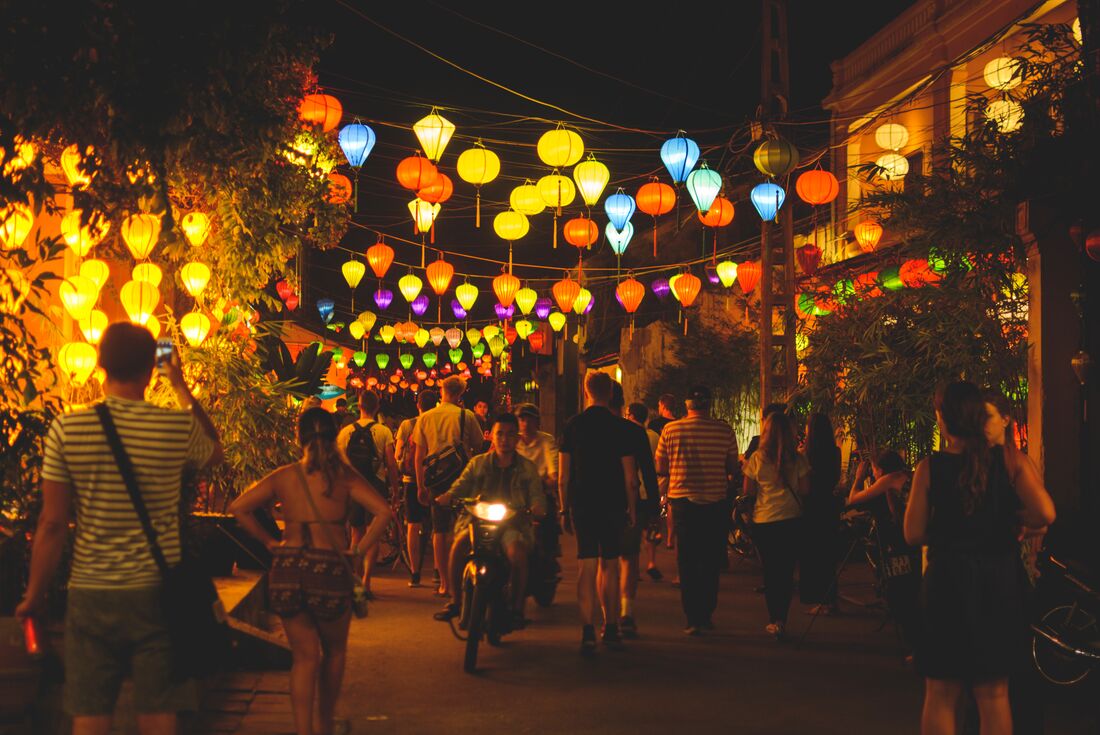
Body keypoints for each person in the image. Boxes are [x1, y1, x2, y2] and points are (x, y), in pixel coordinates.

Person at [15, 322, 223, 735]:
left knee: (90, 711)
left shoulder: (67, 429)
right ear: (152, 367)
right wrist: (180, 385)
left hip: (91, 592)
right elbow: (214, 451)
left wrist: (34, 595)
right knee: (159, 710)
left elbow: (53, 523)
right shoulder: (174, 428)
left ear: (100, 365)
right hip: (156, 593)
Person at [904, 381, 1055, 735]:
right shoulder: (1009, 462)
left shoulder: (931, 467)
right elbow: (1045, 513)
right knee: (994, 694)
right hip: (998, 581)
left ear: (944, 419)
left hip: (946, 582)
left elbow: (912, 533)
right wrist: (1015, 526)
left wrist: (948, 533)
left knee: (940, 692)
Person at [230, 408, 390, 735]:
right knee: (334, 652)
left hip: (288, 570)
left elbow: (238, 507)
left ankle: (304, 731)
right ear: (335, 435)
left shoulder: (285, 476)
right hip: (329, 569)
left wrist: (269, 542)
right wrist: (357, 551)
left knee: (304, 658)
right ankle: (324, 725)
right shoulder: (344, 477)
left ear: (298, 437)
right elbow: (384, 512)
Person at [431, 414, 546, 628]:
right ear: (492, 437)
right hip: (476, 523)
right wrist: (446, 497)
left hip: (512, 525)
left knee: (518, 554)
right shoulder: (478, 463)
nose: (504, 439)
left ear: (517, 438)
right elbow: (460, 485)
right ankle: (455, 600)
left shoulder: (527, 468)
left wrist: (537, 508)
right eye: (499, 434)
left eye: (510, 434)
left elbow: (536, 495)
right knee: (457, 546)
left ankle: (516, 607)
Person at [559, 371, 638, 654]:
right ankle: (612, 626)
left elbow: (563, 475)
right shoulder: (621, 428)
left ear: (586, 391)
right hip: (613, 503)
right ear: (611, 394)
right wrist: (632, 507)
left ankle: (587, 631)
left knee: (587, 565)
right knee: (611, 564)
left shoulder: (573, 426)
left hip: (583, 503)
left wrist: (563, 507)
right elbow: (631, 476)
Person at [655, 385, 739, 636]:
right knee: (711, 559)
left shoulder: (670, 429)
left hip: (682, 501)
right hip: (715, 501)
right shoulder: (724, 430)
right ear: (709, 405)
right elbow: (732, 466)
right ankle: (707, 613)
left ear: (687, 405)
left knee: (688, 559)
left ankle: (692, 617)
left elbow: (660, 464)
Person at [413, 376, 484, 598]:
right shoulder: (467, 416)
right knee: (463, 529)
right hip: (462, 479)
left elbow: (419, 455)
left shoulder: (426, 417)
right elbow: (479, 445)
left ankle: (444, 582)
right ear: (460, 393)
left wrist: (420, 485)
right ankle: (461, 577)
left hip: (436, 481)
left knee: (439, 530)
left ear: (442, 390)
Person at [743, 411, 809, 640]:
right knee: (786, 571)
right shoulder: (799, 458)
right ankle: (782, 618)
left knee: (771, 572)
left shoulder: (757, 459)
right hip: (792, 519)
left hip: (765, 521)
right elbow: (805, 490)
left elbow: (748, 492)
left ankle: (774, 619)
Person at [337, 391, 400, 597]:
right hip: (377, 487)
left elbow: (338, 463)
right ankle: (366, 582)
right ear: (377, 407)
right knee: (373, 535)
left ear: (359, 406)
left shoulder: (345, 432)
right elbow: (391, 463)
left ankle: (355, 578)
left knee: (356, 533)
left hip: (353, 488)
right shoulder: (383, 431)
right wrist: (395, 490)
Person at [611, 385, 660, 639]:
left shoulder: (588, 428)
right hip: (634, 501)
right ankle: (625, 612)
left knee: (605, 561)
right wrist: (654, 506)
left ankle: (607, 616)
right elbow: (647, 473)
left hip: (602, 502)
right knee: (629, 557)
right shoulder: (636, 432)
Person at [394, 390, 439, 587]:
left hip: (411, 479)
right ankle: (438, 571)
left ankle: (415, 573)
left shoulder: (407, 424)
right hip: (435, 479)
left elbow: (397, 454)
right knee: (438, 526)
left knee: (413, 525)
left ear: (417, 404)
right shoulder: (438, 423)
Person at [799, 412, 842, 614]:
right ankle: (830, 599)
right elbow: (835, 477)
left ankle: (822, 600)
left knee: (814, 553)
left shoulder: (805, 454)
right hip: (829, 504)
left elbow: (803, 482)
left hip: (810, 506)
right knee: (828, 553)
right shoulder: (835, 451)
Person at [628, 402, 664, 581]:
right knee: (649, 528)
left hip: (633, 489)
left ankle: (632, 569)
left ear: (630, 415)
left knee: (633, 529)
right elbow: (657, 463)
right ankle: (651, 562)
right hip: (650, 488)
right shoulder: (654, 436)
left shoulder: (627, 434)